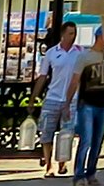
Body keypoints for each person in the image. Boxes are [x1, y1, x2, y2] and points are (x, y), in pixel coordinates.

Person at [31, 22, 87, 176]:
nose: (72, 37)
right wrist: (33, 97)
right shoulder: (51, 53)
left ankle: (62, 162)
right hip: (53, 97)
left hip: (72, 99)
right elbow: (43, 76)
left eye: (74, 33)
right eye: (70, 33)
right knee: (46, 132)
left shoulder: (80, 52)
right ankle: (49, 164)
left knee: (67, 133)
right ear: (63, 34)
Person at [71, 43, 104, 186]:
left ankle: (91, 172)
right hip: (87, 103)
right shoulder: (84, 57)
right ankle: (79, 174)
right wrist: (67, 102)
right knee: (86, 140)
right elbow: (75, 80)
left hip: (103, 103)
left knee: (98, 141)